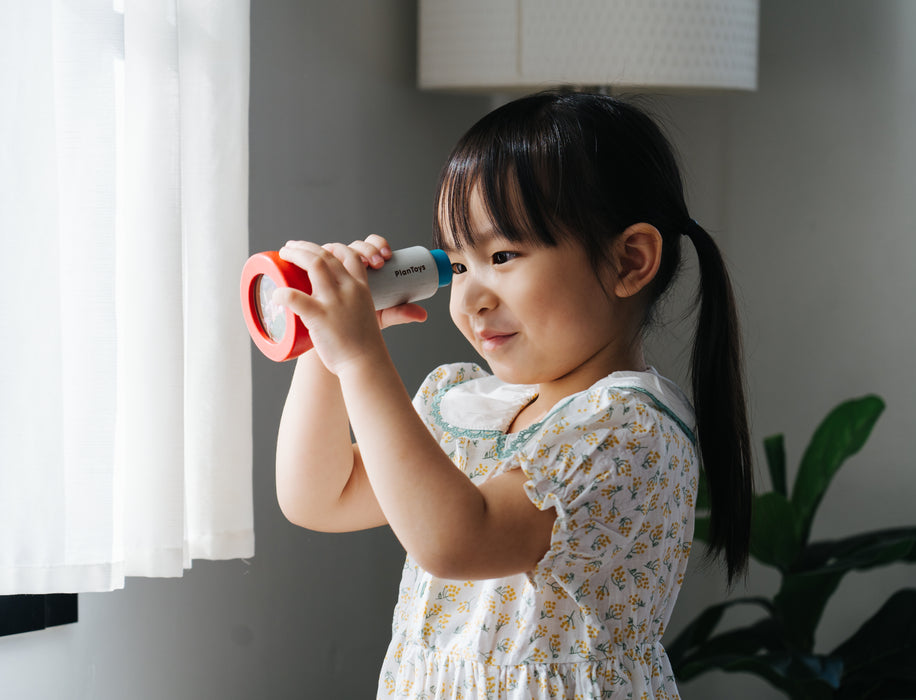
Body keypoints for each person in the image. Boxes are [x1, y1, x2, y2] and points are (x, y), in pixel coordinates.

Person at [274, 89, 753, 699]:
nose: (473, 295)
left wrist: (362, 358)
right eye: (457, 263)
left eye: (502, 255)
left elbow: (456, 540)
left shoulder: (628, 429)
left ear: (629, 261)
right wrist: (325, 349)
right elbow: (318, 498)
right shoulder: (469, 406)